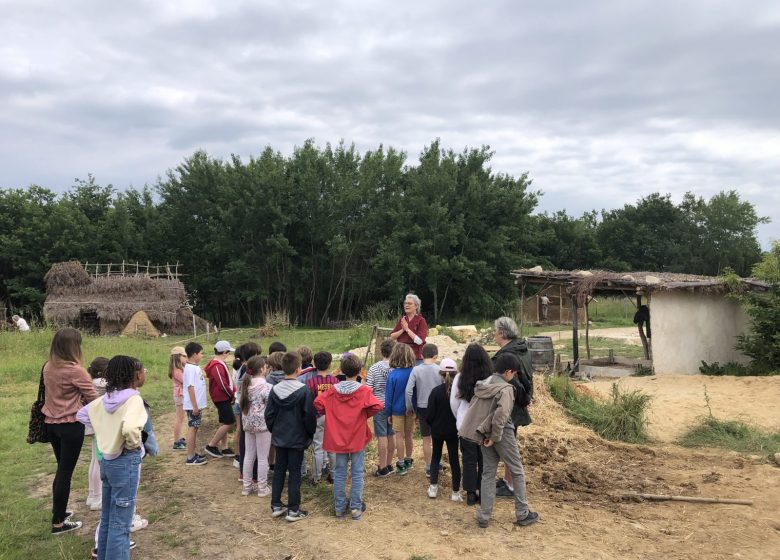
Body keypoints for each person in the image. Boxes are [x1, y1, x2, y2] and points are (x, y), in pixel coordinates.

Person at [77, 356, 148, 560]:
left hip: (107, 462)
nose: (144, 374)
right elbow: (131, 428)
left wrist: (104, 433)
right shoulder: (133, 399)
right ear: (135, 375)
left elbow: (82, 415)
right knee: (121, 524)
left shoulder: (105, 399)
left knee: (108, 517)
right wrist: (132, 445)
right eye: (143, 371)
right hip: (125, 460)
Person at [459, 353, 538, 529]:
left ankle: (483, 516)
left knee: (488, 473)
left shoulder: (483, 384)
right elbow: (501, 415)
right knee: (517, 471)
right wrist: (495, 438)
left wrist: (487, 436)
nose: (514, 376)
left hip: (483, 432)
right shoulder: (506, 389)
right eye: (514, 373)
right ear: (509, 371)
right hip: (501, 433)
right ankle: (523, 513)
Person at [42, 327, 98, 534]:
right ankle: (58, 523)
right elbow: (94, 398)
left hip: (51, 425)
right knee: (65, 473)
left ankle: (60, 511)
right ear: (73, 347)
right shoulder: (74, 369)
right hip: (70, 425)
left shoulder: (48, 367)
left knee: (61, 469)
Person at [314, 353, 383, 520]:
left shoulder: (332, 391)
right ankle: (355, 508)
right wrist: (364, 415)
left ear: (341, 371)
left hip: (337, 437)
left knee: (339, 472)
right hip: (357, 436)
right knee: (357, 472)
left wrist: (330, 413)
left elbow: (317, 403)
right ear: (360, 371)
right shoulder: (364, 391)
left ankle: (339, 508)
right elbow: (378, 405)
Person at [264, 352, 317, 522]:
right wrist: (310, 433)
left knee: (279, 470)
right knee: (294, 472)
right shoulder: (304, 390)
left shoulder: (274, 389)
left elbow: (269, 415)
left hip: (280, 437)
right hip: (297, 438)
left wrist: (274, 430)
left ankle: (276, 505)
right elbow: (309, 416)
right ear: (298, 369)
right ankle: (294, 510)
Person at [491, 316, 534, 498]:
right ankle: (508, 480)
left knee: (508, 446)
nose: (494, 334)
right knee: (511, 443)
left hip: (510, 405)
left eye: (495, 331)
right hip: (519, 402)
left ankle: (510, 485)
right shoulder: (522, 349)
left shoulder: (507, 355)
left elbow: (507, 381)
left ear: (501, 333)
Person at [451, 343, 492, 505]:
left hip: (465, 425)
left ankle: (469, 493)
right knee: (484, 461)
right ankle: (483, 492)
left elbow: (454, 403)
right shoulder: (491, 378)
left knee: (468, 460)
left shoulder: (460, 378)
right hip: (484, 425)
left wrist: (459, 419)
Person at [425, 358, 462, 501]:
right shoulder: (459, 392)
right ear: (456, 373)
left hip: (437, 430)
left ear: (440, 374)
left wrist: (433, 425)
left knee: (436, 457)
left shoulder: (435, 392)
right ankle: (455, 492)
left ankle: (433, 487)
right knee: (454, 460)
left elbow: (429, 414)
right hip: (453, 430)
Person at [404, 343, 443, 477]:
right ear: (435, 356)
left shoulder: (416, 370)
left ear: (421, 355)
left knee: (426, 439)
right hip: (438, 407)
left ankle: (428, 467)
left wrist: (410, 407)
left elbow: (408, 390)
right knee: (438, 437)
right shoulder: (439, 369)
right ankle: (438, 464)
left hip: (422, 407)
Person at [303, 351, 338, 483]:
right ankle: (333, 476)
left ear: (314, 365)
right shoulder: (335, 382)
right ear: (330, 364)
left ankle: (316, 478)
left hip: (317, 417)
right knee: (332, 448)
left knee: (318, 447)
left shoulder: (311, 383)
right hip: (331, 417)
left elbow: (308, 402)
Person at [239, 356, 272, 497]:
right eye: (265, 366)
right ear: (262, 369)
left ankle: (246, 487)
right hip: (263, 425)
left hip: (247, 423)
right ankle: (262, 488)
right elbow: (271, 406)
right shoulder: (267, 387)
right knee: (263, 457)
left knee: (248, 455)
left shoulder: (245, 385)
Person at [365, 338, 397, 477]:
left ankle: (382, 467)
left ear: (381, 351)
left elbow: (369, 389)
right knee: (392, 434)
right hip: (394, 405)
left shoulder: (374, 368)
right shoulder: (397, 368)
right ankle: (389, 464)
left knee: (382, 436)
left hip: (379, 405)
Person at [384, 342, 416, 475]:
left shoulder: (393, 375)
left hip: (396, 410)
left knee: (399, 436)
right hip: (411, 409)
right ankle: (409, 461)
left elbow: (389, 396)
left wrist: (388, 412)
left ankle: (401, 464)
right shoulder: (414, 372)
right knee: (409, 435)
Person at [204, 340, 237, 458]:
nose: (228, 355)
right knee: (230, 421)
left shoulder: (220, 363)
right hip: (221, 397)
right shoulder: (217, 366)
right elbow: (222, 384)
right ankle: (211, 445)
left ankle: (224, 447)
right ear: (224, 352)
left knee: (224, 421)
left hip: (223, 397)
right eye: (228, 352)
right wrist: (232, 395)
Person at [234, 342, 261, 481]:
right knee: (250, 444)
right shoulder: (248, 370)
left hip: (242, 404)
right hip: (247, 407)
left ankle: (244, 473)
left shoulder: (242, 367)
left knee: (246, 442)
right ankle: (251, 475)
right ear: (254, 355)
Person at [85, 357, 109, 511]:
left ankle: (92, 494)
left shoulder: (91, 382)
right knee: (99, 462)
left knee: (94, 459)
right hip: (100, 425)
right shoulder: (101, 383)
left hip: (93, 425)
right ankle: (97, 498)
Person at [182, 342, 208, 466]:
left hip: (196, 404)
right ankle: (190, 457)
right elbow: (190, 387)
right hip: (193, 405)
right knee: (193, 428)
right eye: (201, 353)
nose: (202, 355)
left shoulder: (194, 366)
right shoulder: (190, 369)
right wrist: (195, 406)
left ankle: (193, 452)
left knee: (195, 427)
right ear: (194, 354)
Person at [390, 293, 428, 363]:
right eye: (405, 303)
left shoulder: (421, 321)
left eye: (409, 303)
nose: (406, 305)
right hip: (401, 356)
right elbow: (392, 336)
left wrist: (407, 330)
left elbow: (419, 341)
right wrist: (402, 329)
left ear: (416, 306)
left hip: (415, 357)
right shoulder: (403, 320)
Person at [168, 346, 187, 451]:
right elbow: (186, 381)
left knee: (181, 418)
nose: (186, 358)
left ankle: (179, 438)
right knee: (179, 418)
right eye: (184, 356)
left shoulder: (179, 369)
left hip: (180, 395)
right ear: (177, 357)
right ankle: (176, 442)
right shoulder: (177, 371)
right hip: (180, 395)